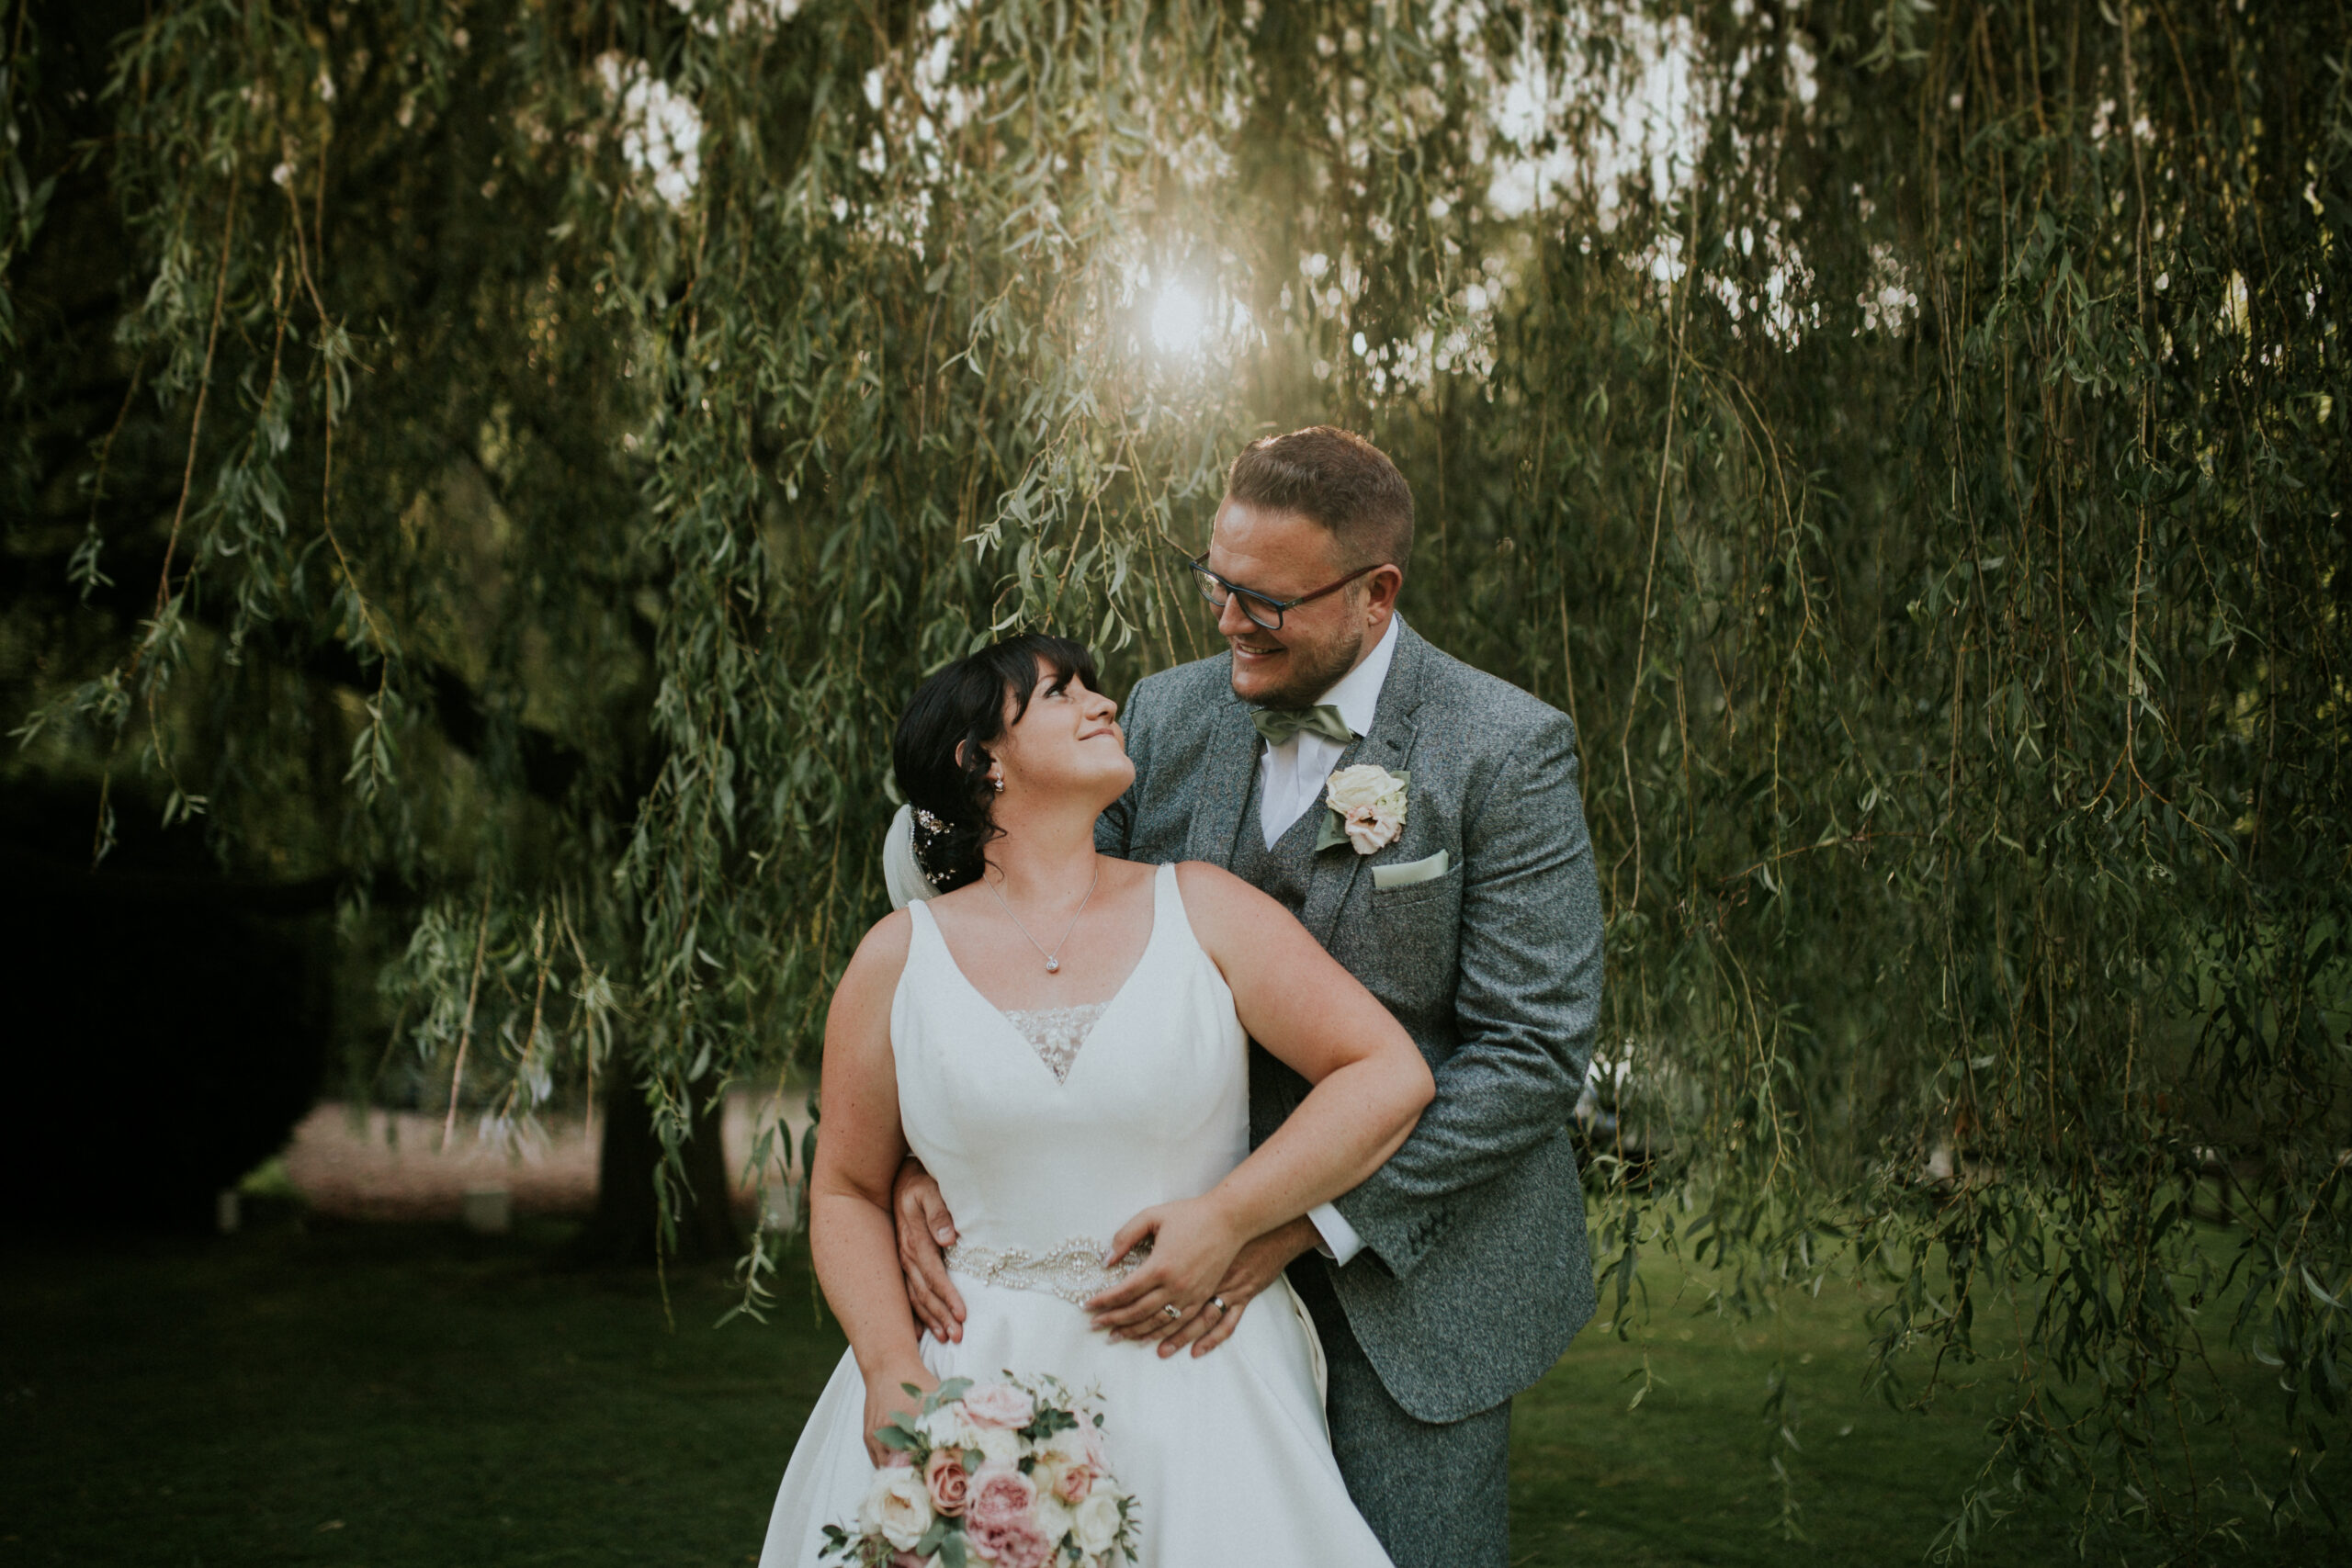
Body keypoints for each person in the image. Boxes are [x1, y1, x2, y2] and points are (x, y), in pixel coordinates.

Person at [894, 428, 1604, 1566]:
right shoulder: (1164, 721)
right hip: (1157, 1301)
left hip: (1410, 1289)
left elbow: (1529, 1056)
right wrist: (933, 1151)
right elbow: (1001, 908)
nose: (1226, 619)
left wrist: (1282, 1223)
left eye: (1263, 601)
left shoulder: (1503, 751)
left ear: (1376, 595)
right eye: (1215, 581)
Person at [756, 633, 1434, 1565]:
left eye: (1095, 687)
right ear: (978, 759)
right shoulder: (894, 962)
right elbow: (842, 1190)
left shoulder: (1203, 908)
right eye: (1059, 693)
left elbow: (1388, 1074)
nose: (1101, 702)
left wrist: (1230, 1217)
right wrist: (891, 1372)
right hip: (970, 1376)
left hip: (1198, 1372)